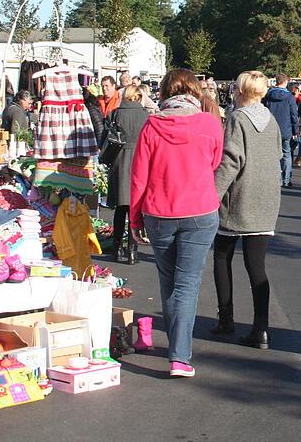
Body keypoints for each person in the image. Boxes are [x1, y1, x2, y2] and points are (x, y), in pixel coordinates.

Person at [130, 69, 223, 378]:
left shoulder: (152, 126)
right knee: (187, 284)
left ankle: (176, 347)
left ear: (165, 93)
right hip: (199, 209)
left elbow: (139, 176)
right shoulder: (209, 124)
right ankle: (179, 356)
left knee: (169, 281)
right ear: (194, 91)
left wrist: (134, 217)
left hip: (159, 211)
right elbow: (214, 162)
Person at [212, 71, 283, 349]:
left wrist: (212, 194)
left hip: (239, 197)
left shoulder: (237, 119)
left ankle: (226, 317)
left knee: (221, 255)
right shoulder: (271, 120)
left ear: (240, 90)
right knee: (256, 266)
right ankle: (261, 328)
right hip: (266, 198)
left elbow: (231, 160)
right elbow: (278, 153)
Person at [108, 85, 151, 264]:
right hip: (140, 161)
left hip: (120, 161)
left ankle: (117, 248)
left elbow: (107, 138)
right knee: (135, 208)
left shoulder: (115, 114)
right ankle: (133, 251)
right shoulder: (146, 116)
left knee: (120, 208)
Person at [263, 73, 299, 188]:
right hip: (286, 129)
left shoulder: (268, 95)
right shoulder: (289, 97)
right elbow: (294, 114)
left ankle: (275, 178)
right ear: (286, 82)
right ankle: (286, 179)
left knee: (273, 154)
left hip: (271, 128)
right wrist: (295, 130)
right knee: (286, 154)